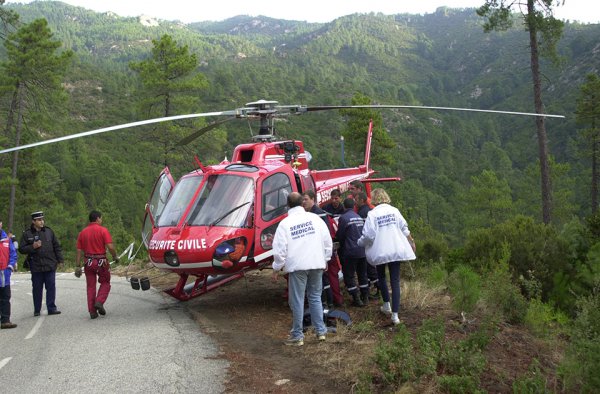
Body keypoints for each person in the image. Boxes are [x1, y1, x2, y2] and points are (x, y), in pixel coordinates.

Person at [272, 192, 332, 346]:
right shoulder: (315, 219)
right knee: (315, 297)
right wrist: (326, 259)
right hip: (317, 263)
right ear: (302, 203)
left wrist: (276, 268)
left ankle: (297, 336)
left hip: (298, 266)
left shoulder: (285, 224)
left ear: (288, 205)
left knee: (297, 300)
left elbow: (279, 250)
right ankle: (321, 332)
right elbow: (327, 241)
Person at [358, 188, 416, 325]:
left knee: (381, 276)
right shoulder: (395, 211)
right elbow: (404, 228)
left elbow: (368, 235)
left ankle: (386, 305)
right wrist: (412, 242)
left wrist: (360, 242)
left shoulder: (372, 214)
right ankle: (395, 316)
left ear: (373, 199)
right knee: (395, 281)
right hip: (395, 249)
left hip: (381, 251)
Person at [302, 190, 344, 308]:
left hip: (321, 251)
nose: (303, 202)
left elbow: (325, 234)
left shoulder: (319, 214)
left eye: (306, 199)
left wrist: (326, 253)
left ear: (313, 200)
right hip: (316, 251)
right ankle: (325, 301)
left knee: (324, 278)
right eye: (302, 200)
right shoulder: (310, 213)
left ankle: (327, 302)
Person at [75, 210, 119, 319]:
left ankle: (92, 311)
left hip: (88, 263)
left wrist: (77, 265)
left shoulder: (82, 233)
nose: (101, 220)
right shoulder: (103, 230)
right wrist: (115, 256)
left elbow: (79, 251)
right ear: (98, 218)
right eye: (101, 218)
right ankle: (99, 301)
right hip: (101, 263)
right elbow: (110, 247)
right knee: (105, 283)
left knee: (90, 287)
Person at [19, 211, 64, 316]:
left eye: (42, 219)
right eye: (39, 220)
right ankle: (37, 309)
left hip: (50, 264)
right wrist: (32, 247)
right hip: (36, 266)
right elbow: (21, 249)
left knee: (51, 287)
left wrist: (60, 260)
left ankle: (51, 308)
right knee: (37, 289)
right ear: (33, 221)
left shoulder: (49, 231)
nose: (41, 221)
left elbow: (57, 246)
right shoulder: (27, 234)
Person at [335, 198, 369, 307]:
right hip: (362, 250)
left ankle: (356, 298)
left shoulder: (344, 218)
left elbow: (340, 235)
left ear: (344, 206)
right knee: (362, 274)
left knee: (349, 275)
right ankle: (365, 297)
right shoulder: (358, 216)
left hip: (350, 252)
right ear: (353, 206)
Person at [356, 191, 379, 297]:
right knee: (371, 267)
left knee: (370, 268)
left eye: (356, 200)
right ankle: (375, 287)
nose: (355, 202)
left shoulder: (362, 212)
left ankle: (379, 288)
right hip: (373, 242)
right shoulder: (369, 210)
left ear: (361, 200)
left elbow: (364, 230)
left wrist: (361, 242)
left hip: (367, 243)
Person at [0, 219, 18, 329]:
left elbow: (13, 254)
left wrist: (10, 266)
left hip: (4, 274)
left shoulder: (7, 239)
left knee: (5, 297)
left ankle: (5, 320)